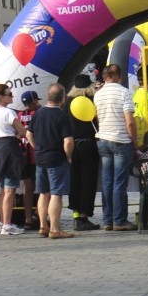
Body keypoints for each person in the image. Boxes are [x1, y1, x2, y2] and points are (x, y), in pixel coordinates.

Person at [27, 83, 75, 239]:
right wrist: (68, 156)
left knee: (43, 193)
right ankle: (55, 229)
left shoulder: (38, 113)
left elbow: (28, 135)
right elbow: (68, 141)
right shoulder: (61, 115)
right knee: (56, 194)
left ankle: (43, 226)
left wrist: (37, 148)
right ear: (62, 98)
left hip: (41, 158)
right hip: (56, 158)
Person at [94, 64, 136, 231]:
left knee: (107, 182)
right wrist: (134, 141)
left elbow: (98, 117)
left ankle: (107, 220)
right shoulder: (124, 92)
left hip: (103, 139)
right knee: (119, 182)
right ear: (118, 76)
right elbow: (130, 121)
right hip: (120, 140)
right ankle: (119, 220)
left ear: (104, 77)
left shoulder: (98, 94)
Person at [0, 83, 27, 236]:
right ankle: (7, 224)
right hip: (10, 148)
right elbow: (22, 131)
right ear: (2, 97)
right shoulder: (8, 112)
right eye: (10, 94)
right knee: (10, 190)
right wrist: (22, 134)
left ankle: (3, 222)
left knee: (4, 189)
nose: (12, 97)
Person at [65, 74, 100, 231]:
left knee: (74, 180)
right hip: (88, 144)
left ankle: (76, 215)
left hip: (72, 144)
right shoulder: (92, 101)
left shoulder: (67, 103)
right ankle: (84, 216)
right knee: (87, 180)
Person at [16, 91, 41, 230]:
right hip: (36, 154)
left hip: (24, 155)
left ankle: (28, 219)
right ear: (34, 102)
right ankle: (38, 215)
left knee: (28, 188)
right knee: (45, 187)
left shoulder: (19, 115)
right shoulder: (38, 114)